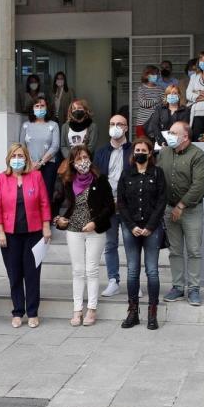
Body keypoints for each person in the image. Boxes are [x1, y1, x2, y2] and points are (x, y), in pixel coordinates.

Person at [53, 146, 115, 326]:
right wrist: (58, 220)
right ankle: (77, 309)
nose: (83, 162)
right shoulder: (66, 180)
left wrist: (95, 222)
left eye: (85, 157)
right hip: (73, 230)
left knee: (92, 270)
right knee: (78, 271)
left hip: (95, 230)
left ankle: (92, 309)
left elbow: (110, 206)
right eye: (79, 159)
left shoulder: (100, 179)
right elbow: (55, 203)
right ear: (72, 162)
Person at [0, 143, 52, 328]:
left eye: (21, 156)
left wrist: (46, 226)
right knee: (15, 274)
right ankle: (18, 311)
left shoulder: (36, 176)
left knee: (32, 274)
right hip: (10, 235)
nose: (17, 159)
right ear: (9, 158)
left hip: (33, 233)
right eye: (14, 156)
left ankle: (33, 312)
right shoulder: (1, 178)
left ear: (26, 158)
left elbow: (44, 202)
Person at [116, 137, 166, 330]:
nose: (140, 153)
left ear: (150, 153)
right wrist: (131, 225)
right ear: (133, 153)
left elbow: (162, 201)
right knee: (132, 271)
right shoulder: (126, 173)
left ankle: (152, 313)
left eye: (143, 150)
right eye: (137, 150)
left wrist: (151, 226)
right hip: (131, 229)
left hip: (152, 229)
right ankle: (132, 312)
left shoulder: (158, 173)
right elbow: (121, 202)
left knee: (152, 271)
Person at [159, 121, 204, 306]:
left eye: (173, 132)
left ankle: (194, 289)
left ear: (185, 136)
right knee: (175, 251)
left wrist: (181, 206)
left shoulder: (198, 155)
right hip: (168, 209)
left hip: (191, 210)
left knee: (194, 250)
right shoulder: (164, 153)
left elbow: (198, 185)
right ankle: (177, 287)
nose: (169, 135)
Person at [95, 115, 132, 298]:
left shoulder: (134, 150)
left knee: (131, 244)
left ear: (126, 128)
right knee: (110, 245)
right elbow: (97, 180)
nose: (115, 127)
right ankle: (113, 281)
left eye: (119, 124)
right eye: (112, 124)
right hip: (108, 207)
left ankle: (134, 282)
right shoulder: (101, 152)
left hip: (128, 207)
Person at [21, 96, 61, 215]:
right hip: (29, 166)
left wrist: (40, 163)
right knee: (30, 194)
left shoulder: (53, 125)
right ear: (32, 108)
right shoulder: (26, 125)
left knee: (46, 193)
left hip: (48, 165)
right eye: (37, 106)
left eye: (42, 106)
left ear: (47, 108)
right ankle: (32, 219)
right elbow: (21, 147)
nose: (39, 108)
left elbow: (55, 146)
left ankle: (46, 221)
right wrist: (30, 163)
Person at [144, 84, 190, 149]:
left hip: (179, 142)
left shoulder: (186, 110)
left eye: (175, 93)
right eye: (169, 93)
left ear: (179, 96)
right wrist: (161, 141)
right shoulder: (159, 109)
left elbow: (185, 127)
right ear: (166, 96)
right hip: (161, 143)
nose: (172, 95)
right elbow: (155, 125)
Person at [134, 66, 165, 137]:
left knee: (155, 144)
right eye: (153, 74)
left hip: (156, 122)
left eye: (157, 74)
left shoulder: (160, 89)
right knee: (142, 143)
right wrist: (157, 100)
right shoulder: (141, 88)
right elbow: (143, 103)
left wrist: (153, 103)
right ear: (146, 75)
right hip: (142, 122)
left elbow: (164, 103)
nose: (155, 76)